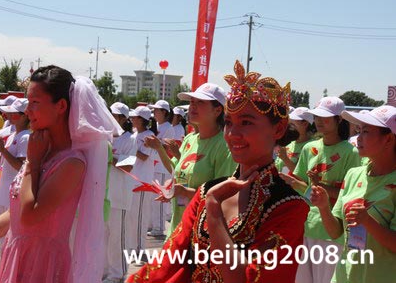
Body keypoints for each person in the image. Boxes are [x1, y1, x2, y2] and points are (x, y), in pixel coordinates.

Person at [129, 60, 310, 282]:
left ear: (278, 129)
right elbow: (167, 263)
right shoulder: (207, 191)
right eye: (228, 122)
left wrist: (214, 210)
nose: (232, 133)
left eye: (246, 122)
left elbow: (248, 279)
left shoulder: (289, 206)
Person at [0, 65, 121, 283]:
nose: (28, 111)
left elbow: (29, 217)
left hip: (43, 264)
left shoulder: (72, 162)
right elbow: (15, 213)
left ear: (61, 106)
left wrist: (32, 164)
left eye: (35, 103)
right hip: (17, 253)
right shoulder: (42, 151)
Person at [310, 106, 396, 283]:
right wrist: (324, 207)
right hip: (344, 276)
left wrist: (367, 221)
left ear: (388, 140)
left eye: (366, 132)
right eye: (358, 131)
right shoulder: (353, 174)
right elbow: (336, 232)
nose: (358, 138)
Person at [280, 96, 361, 283]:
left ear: (339, 120)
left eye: (325, 118)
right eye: (317, 117)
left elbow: (348, 195)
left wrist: (319, 186)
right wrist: (288, 182)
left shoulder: (351, 152)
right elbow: (302, 187)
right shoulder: (310, 148)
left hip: (331, 232)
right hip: (306, 226)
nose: (319, 121)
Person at [146, 83, 237, 237]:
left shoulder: (225, 146)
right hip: (178, 227)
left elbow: (223, 196)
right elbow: (174, 169)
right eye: (192, 102)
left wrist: (184, 191)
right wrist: (160, 149)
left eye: (200, 102)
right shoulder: (190, 139)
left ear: (217, 110)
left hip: (203, 233)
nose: (193, 106)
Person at [103, 102, 137, 283]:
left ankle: (118, 274)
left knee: (118, 236)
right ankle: (105, 271)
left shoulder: (130, 139)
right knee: (104, 236)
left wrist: (109, 157)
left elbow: (129, 165)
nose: (112, 118)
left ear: (124, 119)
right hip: (104, 195)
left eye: (116, 115)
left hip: (120, 195)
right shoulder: (106, 137)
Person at [0, 98, 30, 221]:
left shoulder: (26, 137)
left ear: (24, 116)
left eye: (14, 113)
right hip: (3, 192)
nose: (9, 115)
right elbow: (3, 163)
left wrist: (2, 150)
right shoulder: (13, 135)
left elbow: (21, 167)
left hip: (13, 193)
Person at [125, 106, 157, 255]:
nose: (132, 119)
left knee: (140, 218)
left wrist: (131, 149)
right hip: (132, 180)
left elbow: (144, 156)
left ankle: (139, 249)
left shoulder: (150, 136)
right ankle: (131, 247)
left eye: (136, 117)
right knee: (131, 217)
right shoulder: (133, 135)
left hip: (143, 181)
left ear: (142, 120)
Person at [147, 99, 175, 237]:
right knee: (152, 198)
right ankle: (152, 224)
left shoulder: (169, 128)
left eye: (157, 110)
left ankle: (159, 227)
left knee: (159, 198)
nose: (154, 112)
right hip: (153, 166)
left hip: (163, 167)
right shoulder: (156, 125)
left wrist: (154, 143)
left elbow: (166, 147)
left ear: (164, 112)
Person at [274, 107, 314, 174]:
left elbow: (304, 176)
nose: (290, 127)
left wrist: (285, 159)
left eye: (293, 125)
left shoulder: (313, 147)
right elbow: (277, 168)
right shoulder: (288, 145)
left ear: (305, 124)